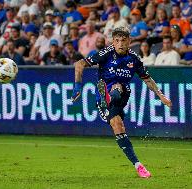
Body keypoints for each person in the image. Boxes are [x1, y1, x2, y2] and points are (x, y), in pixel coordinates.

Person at [71, 27, 172, 178]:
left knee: (118, 87)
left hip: (122, 92)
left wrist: (161, 95)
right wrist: (77, 87)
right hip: (102, 96)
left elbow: (147, 79)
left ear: (129, 41)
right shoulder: (105, 53)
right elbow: (79, 64)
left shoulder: (134, 58)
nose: (120, 44)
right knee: (118, 126)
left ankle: (112, 95)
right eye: (117, 40)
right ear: (113, 41)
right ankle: (138, 166)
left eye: (124, 40)